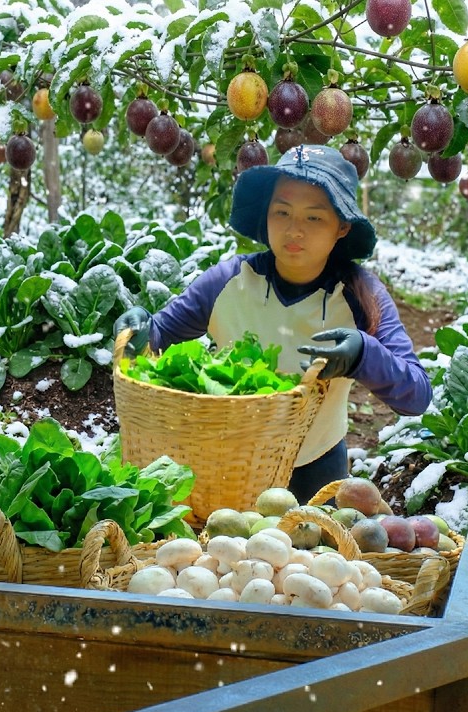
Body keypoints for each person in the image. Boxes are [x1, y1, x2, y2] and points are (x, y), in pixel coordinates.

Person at [114, 144, 432, 502]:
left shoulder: (361, 295)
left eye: (314, 217)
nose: (294, 230)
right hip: (228, 462)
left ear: (342, 227)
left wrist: (362, 354)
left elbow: (416, 395)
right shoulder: (229, 280)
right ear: (266, 216)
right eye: (282, 212)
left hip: (316, 464)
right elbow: (159, 334)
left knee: (313, 552)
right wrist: (140, 328)